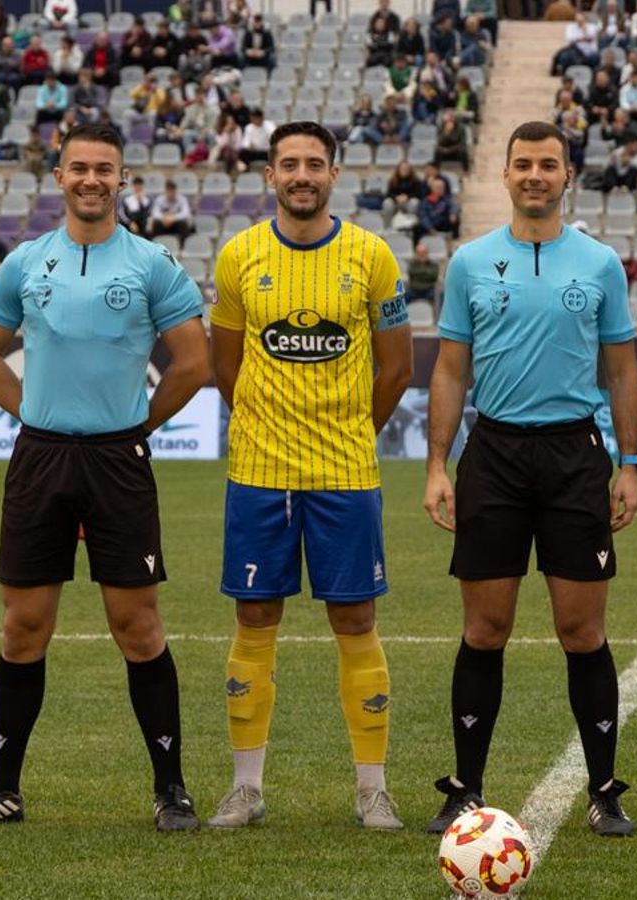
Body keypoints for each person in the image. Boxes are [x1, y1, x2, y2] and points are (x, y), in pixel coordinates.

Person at [0, 122, 210, 832]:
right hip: (40, 458)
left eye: (105, 169)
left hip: (118, 459)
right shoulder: (26, 262)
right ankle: (2, 789)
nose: (91, 179)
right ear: (59, 177)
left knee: (138, 625)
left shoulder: (153, 263)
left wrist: (139, 426)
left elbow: (194, 362)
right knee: (23, 624)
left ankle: (171, 789)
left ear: (123, 181)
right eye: (79, 168)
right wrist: (30, 412)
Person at [422, 120, 637, 838]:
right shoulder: (470, 262)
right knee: (485, 628)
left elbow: (620, 369)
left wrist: (631, 463)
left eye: (549, 165)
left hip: (575, 457)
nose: (536, 175)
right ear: (507, 175)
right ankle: (465, 790)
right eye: (524, 164)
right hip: (494, 456)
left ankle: (604, 789)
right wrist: (435, 465)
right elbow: (451, 369)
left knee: (582, 630)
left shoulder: (601, 263)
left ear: (567, 175)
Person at [208, 121, 413, 831]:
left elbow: (396, 369)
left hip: (345, 472)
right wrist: (267, 423)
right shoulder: (238, 256)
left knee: (355, 617)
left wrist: (352, 428)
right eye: (289, 164)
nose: (302, 175)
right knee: (254, 616)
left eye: (314, 164)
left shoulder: (372, 255)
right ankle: (246, 788)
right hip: (260, 472)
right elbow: (225, 366)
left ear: (334, 174)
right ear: (270, 175)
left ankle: (371, 790)